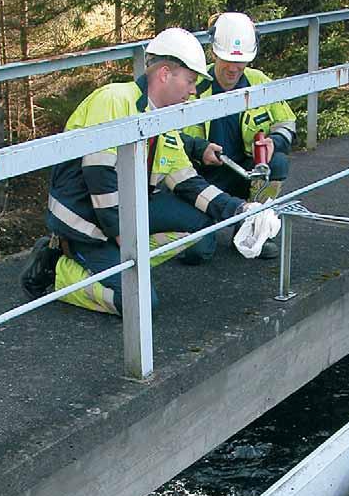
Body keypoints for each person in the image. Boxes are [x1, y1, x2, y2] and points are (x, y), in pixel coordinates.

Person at [20, 27, 249, 315]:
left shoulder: (163, 119)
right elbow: (100, 180)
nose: (193, 92)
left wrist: (239, 210)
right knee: (139, 304)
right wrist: (124, 239)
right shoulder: (115, 100)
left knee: (199, 222)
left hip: (124, 213)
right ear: (165, 73)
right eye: (190, 81)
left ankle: (120, 264)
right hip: (86, 223)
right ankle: (57, 273)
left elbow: (188, 182)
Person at [181, 12, 296, 259]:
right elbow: (169, 139)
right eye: (226, 60)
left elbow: (287, 122)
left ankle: (251, 229)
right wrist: (197, 147)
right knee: (198, 254)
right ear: (213, 53)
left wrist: (273, 143)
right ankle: (198, 226)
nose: (233, 68)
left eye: (241, 61)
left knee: (277, 163)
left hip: (243, 171)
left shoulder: (259, 82)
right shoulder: (193, 87)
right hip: (200, 179)